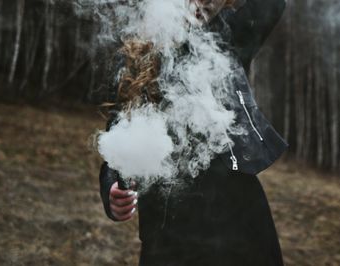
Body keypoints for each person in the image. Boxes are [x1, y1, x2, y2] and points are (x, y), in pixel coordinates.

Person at [99, 0, 288, 265]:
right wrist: (111, 188)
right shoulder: (132, 58)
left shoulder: (229, 37)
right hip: (168, 223)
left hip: (239, 213)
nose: (209, 2)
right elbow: (116, 142)